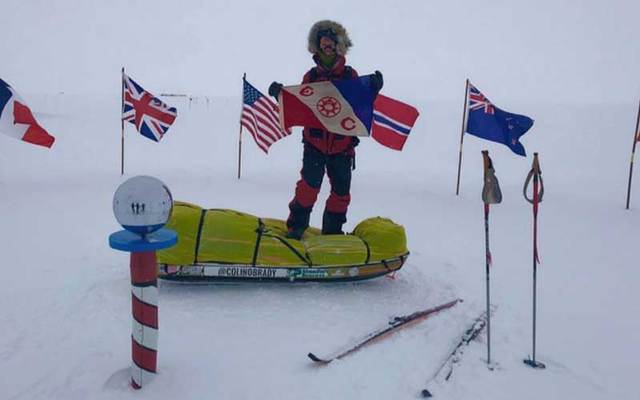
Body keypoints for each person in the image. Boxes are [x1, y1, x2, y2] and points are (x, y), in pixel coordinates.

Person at [269, 20, 383, 240]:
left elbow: (361, 104)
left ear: (339, 46)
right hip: (314, 144)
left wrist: (373, 89)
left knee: (341, 193)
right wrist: (280, 95)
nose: (327, 48)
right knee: (308, 188)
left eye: (331, 44)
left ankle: (332, 233)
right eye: (323, 44)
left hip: (343, 146)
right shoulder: (310, 77)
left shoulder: (350, 76)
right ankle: (296, 226)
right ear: (317, 47)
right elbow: (299, 104)